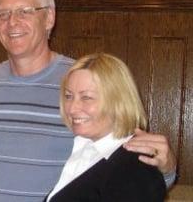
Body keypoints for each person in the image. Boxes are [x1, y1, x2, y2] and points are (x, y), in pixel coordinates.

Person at [0, 0, 177, 201]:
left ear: (49, 17)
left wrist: (167, 168)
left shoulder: (82, 82)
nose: (12, 22)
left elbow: (128, 168)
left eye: (25, 11)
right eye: (3, 13)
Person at [46, 53, 166, 201]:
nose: (72, 108)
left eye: (87, 97)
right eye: (69, 96)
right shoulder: (87, 148)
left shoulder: (135, 168)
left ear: (118, 101)